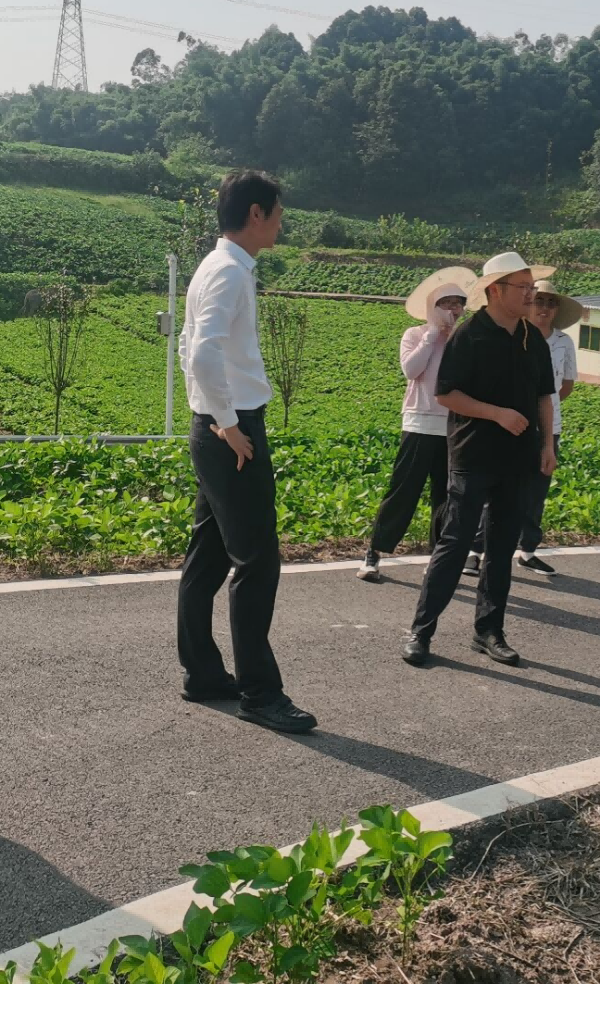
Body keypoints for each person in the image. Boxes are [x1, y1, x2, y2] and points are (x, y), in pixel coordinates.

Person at [175, 170, 317, 733]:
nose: (281, 223)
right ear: (256, 214)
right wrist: (231, 426)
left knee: (208, 554)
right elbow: (203, 355)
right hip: (229, 432)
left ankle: (204, 674)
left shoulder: (216, 267)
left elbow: (191, 346)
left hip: (213, 426)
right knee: (257, 561)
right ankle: (261, 693)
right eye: (278, 213)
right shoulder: (231, 272)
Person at [403, 252, 556, 669]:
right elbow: (446, 394)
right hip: (474, 455)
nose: (530, 295)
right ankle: (422, 629)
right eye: (522, 288)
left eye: (531, 287)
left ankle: (488, 631)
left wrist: (547, 446)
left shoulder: (533, 339)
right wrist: (497, 414)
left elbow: (545, 394)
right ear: (495, 291)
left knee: (502, 547)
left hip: (520, 459)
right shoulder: (469, 336)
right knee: (455, 544)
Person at [358, 267, 474, 582]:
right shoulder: (415, 335)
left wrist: (452, 338)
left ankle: (437, 558)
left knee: (446, 495)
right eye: (445, 303)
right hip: (420, 424)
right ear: (431, 307)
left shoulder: (465, 340)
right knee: (403, 491)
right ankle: (375, 551)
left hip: (453, 426)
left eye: (457, 304)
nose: (452, 310)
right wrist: (434, 334)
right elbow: (412, 370)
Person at [466, 279, 581, 578]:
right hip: (512, 425)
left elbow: (564, 386)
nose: (543, 308)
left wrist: (545, 407)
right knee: (497, 488)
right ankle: (476, 550)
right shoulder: (512, 337)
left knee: (537, 491)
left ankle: (528, 550)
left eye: (550, 303)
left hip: (549, 426)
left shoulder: (563, 342)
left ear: (556, 309)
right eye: (538, 300)